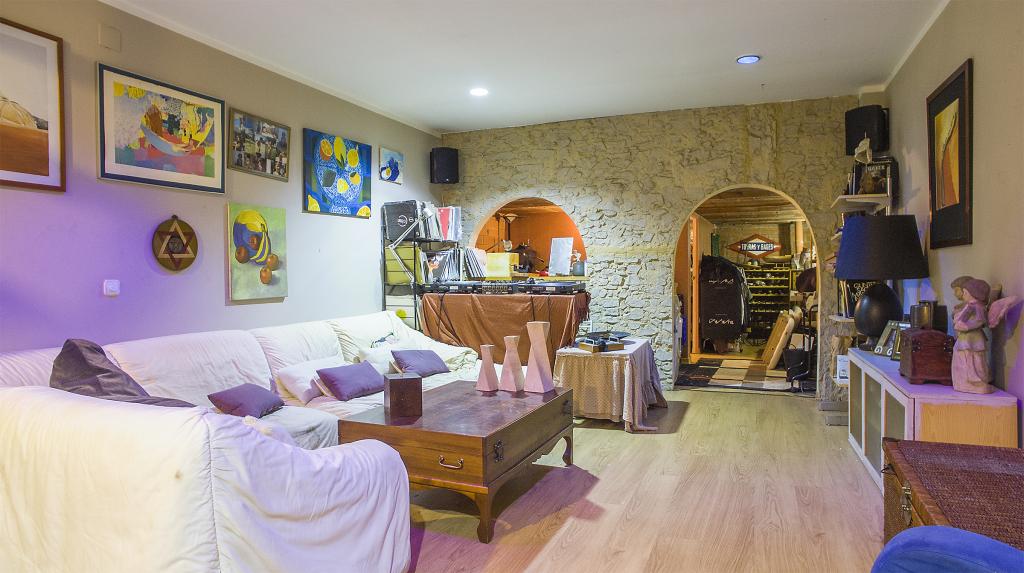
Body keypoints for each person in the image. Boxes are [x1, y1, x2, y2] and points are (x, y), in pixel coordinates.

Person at [951, 278, 993, 394]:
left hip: (972, 338)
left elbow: (980, 321)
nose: (963, 294)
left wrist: (967, 326)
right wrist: (959, 322)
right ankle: (963, 381)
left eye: (965, 292)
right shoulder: (969, 305)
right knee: (962, 357)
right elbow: (961, 318)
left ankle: (975, 381)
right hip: (964, 338)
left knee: (973, 359)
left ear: (973, 293)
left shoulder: (977, 306)